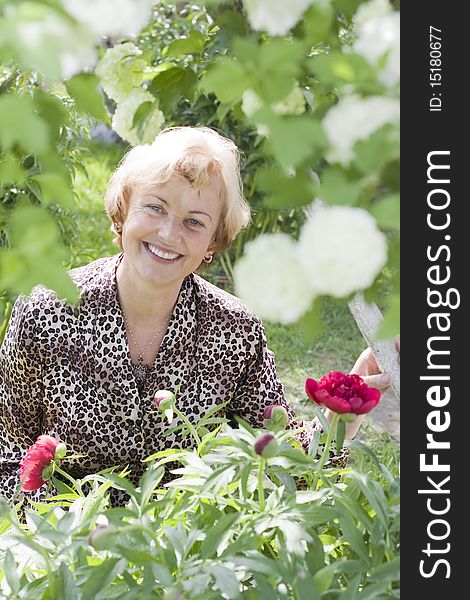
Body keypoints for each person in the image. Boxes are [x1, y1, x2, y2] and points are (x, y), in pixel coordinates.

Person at [0, 126, 393, 508]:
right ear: (124, 211)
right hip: (64, 551)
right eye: (155, 208)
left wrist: (345, 404)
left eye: (194, 222)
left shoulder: (234, 332)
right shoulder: (48, 312)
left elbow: (285, 463)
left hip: (184, 557)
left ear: (213, 241)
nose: (169, 234)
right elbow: (7, 455)